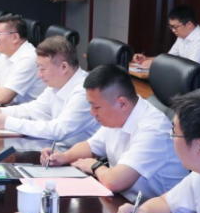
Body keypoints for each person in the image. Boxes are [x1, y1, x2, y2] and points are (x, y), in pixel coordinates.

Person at [42, 65, 188, 199]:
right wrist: (64, 157)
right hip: (124, 202)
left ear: (122, 103)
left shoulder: (153, 129)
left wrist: (95, 166)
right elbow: (90, 146)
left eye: (96, 107)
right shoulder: (120, 114)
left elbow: (115, 182)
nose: (92, 112)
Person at [0, 36, 99, 145]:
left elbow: (57, 130)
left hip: (77, 157)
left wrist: (7, 122)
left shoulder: (84, 92)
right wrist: (0, 111)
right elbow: (32, 110)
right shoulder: (56, 84)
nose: (39, 74)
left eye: (42, 69)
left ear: (64, 67)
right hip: (57, 150)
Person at [132, 5, 200, 81]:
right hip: (193, 80)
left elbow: (190, 68)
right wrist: (147, 59)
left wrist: (155, 64)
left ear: (189, 24)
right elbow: (168, 58)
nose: (173, 30)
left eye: (175, 27)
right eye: (171, 27)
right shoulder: (182, 37)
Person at [0, 14, 46, 106]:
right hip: (7, 109)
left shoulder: (29, 58)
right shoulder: (5, 53)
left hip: (25, 113)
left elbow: (3, 98)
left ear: (14, 37)